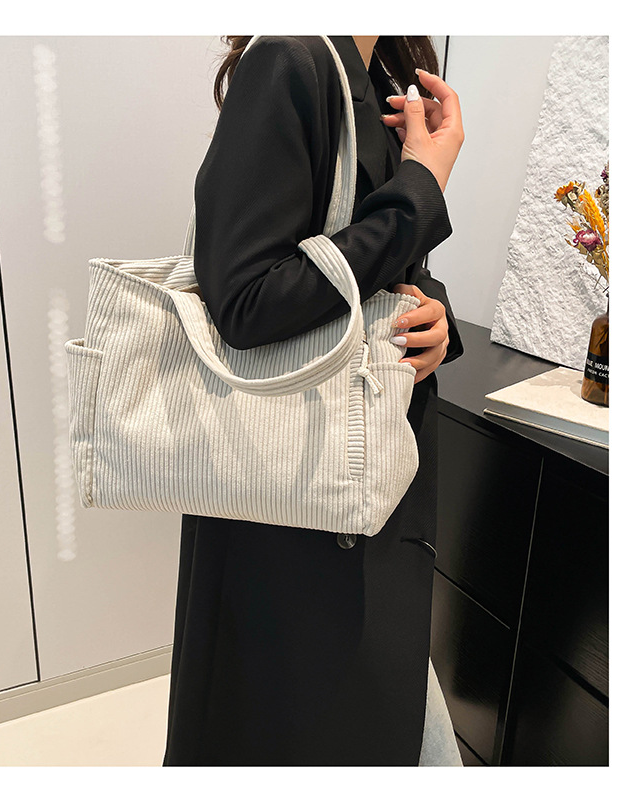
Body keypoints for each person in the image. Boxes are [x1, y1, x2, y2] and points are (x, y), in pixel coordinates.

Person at [162, 35, 465, 767]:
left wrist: (434, 319)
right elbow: (245, 301)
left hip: (356, 486)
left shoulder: (384, 76)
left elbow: (384, 271)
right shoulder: (291, 60)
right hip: (294, 506)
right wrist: (422, 184)